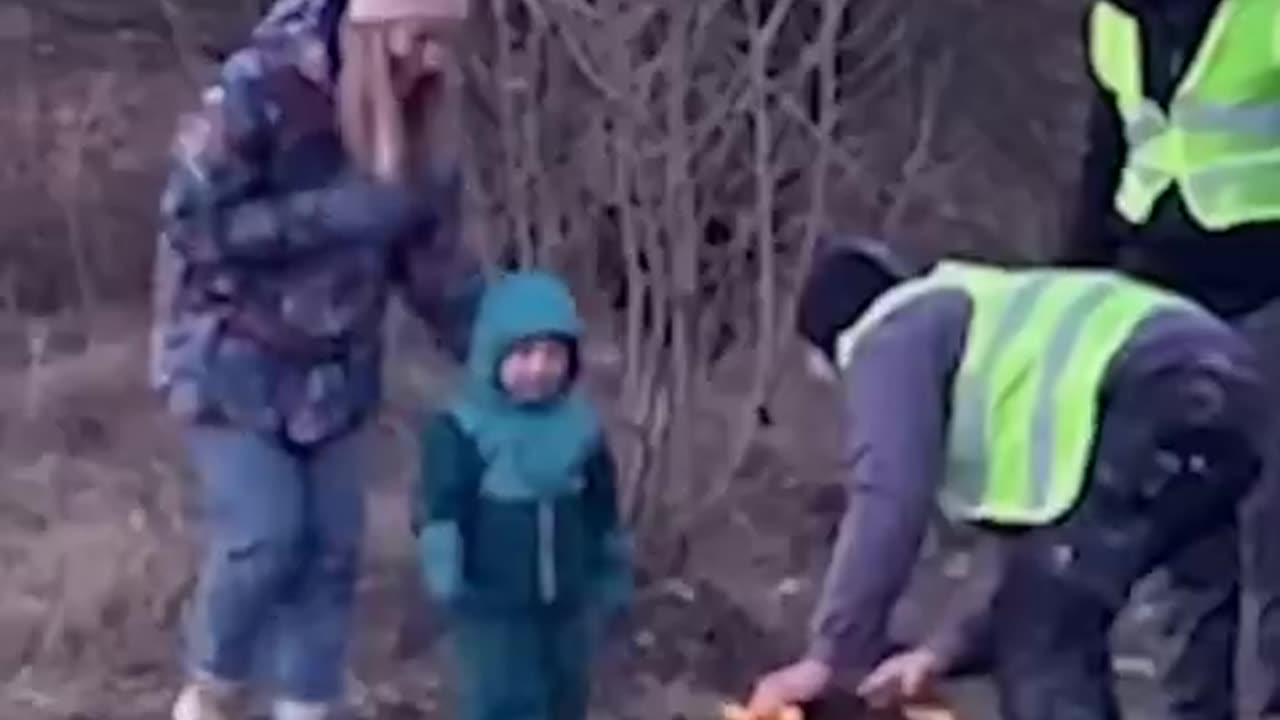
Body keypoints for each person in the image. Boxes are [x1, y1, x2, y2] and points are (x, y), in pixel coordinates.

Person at [746, 237, 1267, 720]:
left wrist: (832, 655)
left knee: (1044, 636)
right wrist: (940, 651)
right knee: (1190, 618)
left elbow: (889, 493)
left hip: (1155, 388)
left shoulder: (889, 335)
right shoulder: (984, 321)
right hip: (1232, 389)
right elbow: (1029, 551)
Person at [150, 0, 484, 718]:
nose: (431, 59)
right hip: (230, 355)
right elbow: (191, 223)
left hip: (338, 370)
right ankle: (213, 684)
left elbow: (434, 266)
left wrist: (499, 352)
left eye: (443, 40)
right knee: (267, 536)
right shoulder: (258, 88)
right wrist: (328, 216)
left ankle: (308, 701)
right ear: (368, 27)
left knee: (333, 547)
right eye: (419, 36)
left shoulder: (424, 113)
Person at [1066, 1, 1280, 715]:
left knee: (1273, 533)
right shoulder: (1113, 21)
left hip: (1267, 289)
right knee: (1187, 538)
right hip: (1156, 302)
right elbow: (1105, 155)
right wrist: (1073, 295)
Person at [414, 270, 632, 720]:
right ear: (492, 353)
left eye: (553, 354)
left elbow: (602, 507)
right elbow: (441, 503)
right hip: (492, 604)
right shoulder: (465, 428)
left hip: (569, 604)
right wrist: (444, 561)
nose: (539, 368)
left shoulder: (580, 428)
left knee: (565, 696)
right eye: (524, 353)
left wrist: (611, 570)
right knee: (504, 701)